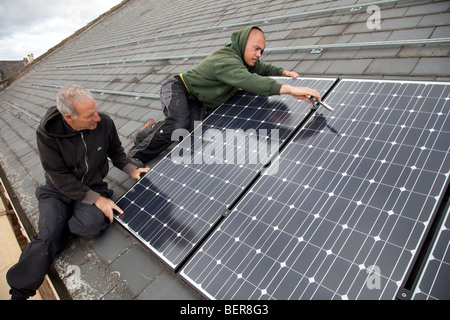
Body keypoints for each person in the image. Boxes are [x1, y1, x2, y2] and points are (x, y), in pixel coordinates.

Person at [6, 85, 149, 300]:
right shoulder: (47, 135)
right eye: (89, 115)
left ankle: (60, 225)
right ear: (69, 118)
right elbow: (59, 176)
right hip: (58, 190)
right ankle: (19, 291)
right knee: (47, 237)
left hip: (92, 184)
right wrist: (98, 200)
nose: (97, 118)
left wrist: (132, 169)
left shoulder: (104, 123)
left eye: (96, 111)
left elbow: (117, 153)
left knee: (89, 225)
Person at [128, 26, 322, 164]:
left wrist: (283, 72)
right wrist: (290, 89)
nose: (259, 54)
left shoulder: (246, 60)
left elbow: (262, 68)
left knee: (188, 132)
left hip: (199, 98)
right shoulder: (226, 60)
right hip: (180, 88)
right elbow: (251, 81)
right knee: (177, 124)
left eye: (262, 50)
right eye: (256, 48)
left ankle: (152, 129)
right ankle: (137, 155)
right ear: (243, 43)